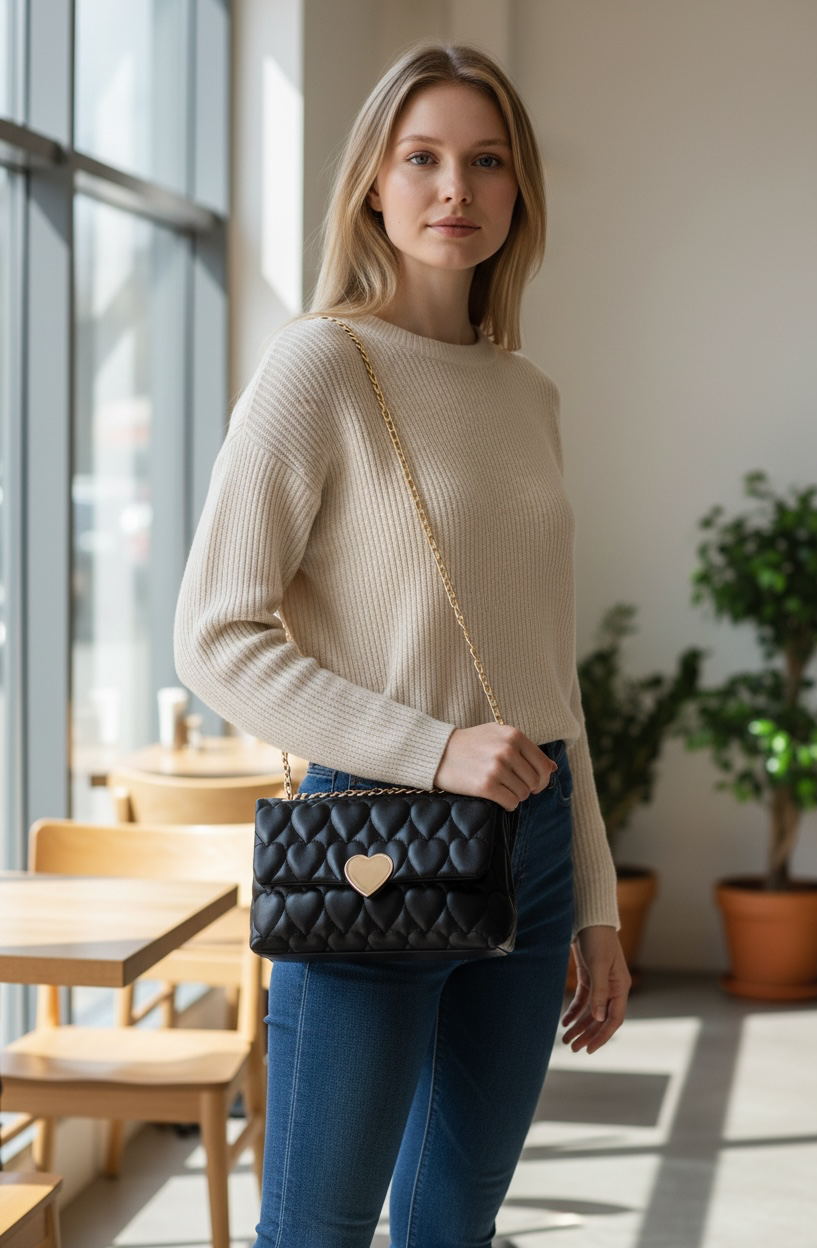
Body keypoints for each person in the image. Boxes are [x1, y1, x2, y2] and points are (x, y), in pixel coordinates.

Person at [174, 39, 631, 1248]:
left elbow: (551, 678)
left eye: (487, 161)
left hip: (534, 833)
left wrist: (594, 901)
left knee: (452, 1223)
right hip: (376, 833)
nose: (454, 189)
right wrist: (431, 749)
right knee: (316, 1230)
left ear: (519, 188)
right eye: (420, 157)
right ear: (372, 184)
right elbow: (214, 636)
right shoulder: (318, 366)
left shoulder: (526, 395)